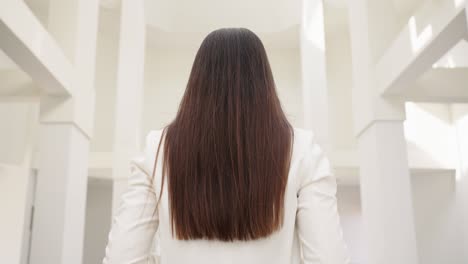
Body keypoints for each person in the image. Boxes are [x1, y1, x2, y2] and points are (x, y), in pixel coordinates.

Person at [103, 28, 350, 264]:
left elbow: (121, 259)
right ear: (264, 83)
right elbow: (329, 259)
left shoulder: (156, 149)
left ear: (197, 83)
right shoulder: (303, 150)